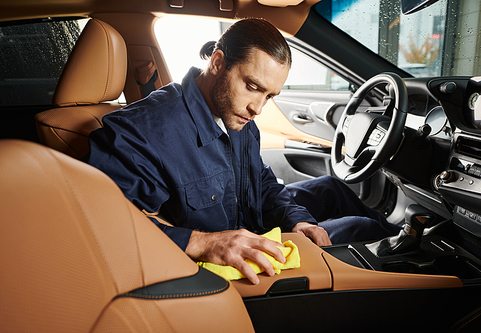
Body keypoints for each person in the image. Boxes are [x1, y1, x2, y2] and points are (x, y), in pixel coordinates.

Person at [86, 18, 400, 285]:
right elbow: (102, 224)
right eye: (252, 86)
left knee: (332, 187)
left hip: (251, 223)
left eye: (269, 95)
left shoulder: (235, 114)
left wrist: (297, 220)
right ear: (218, 62)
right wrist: (203, 242)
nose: (258, 107)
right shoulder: (143, 131)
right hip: (223, 268)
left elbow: (260, 180)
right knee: (365, 229)